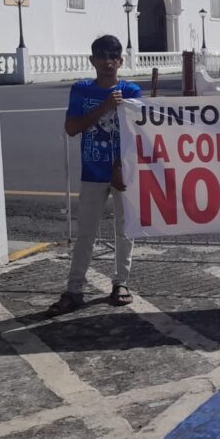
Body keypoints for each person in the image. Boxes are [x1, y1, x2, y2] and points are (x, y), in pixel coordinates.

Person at [47, 35, 142, 316]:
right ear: (92, 60)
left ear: (121, 61)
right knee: (86, 233)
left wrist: (120, 166)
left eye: (113, 57)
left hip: (123, 173)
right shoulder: (81, 90)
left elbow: (136, 134)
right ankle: (74, 288)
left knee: (125, 230)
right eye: (102, 56)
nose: (107, 62)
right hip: (92, 171)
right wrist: (104, 107)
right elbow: (72, 128)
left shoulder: (131, 90)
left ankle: (121, 282)